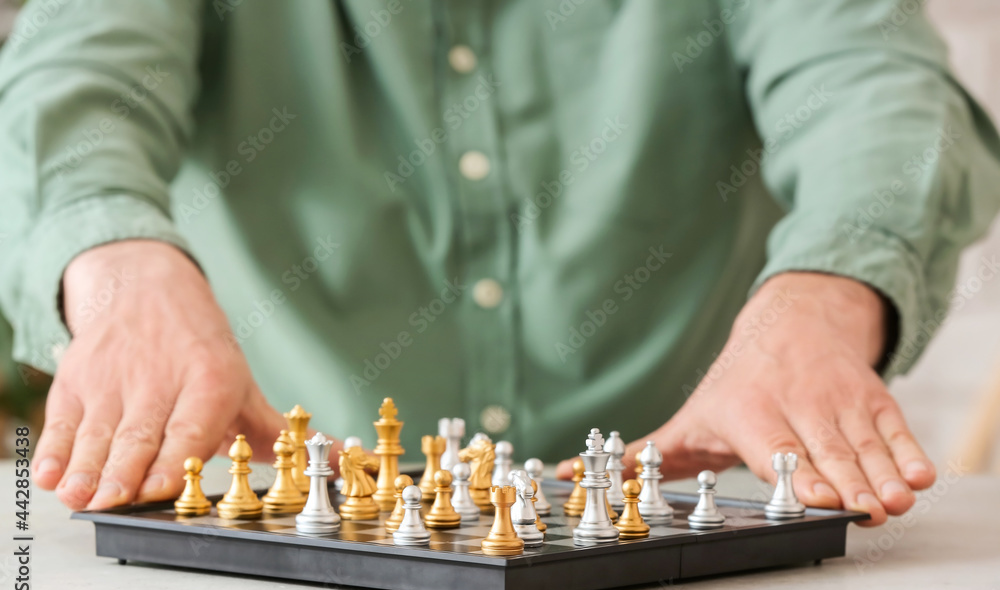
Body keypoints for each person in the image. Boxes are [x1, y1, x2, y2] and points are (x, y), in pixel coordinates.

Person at [1, 0, 997, 526]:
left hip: (690, 579)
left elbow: (875, 85)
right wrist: (118, 267)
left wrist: (825, 297)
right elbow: (65, 80)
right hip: (279, 589)